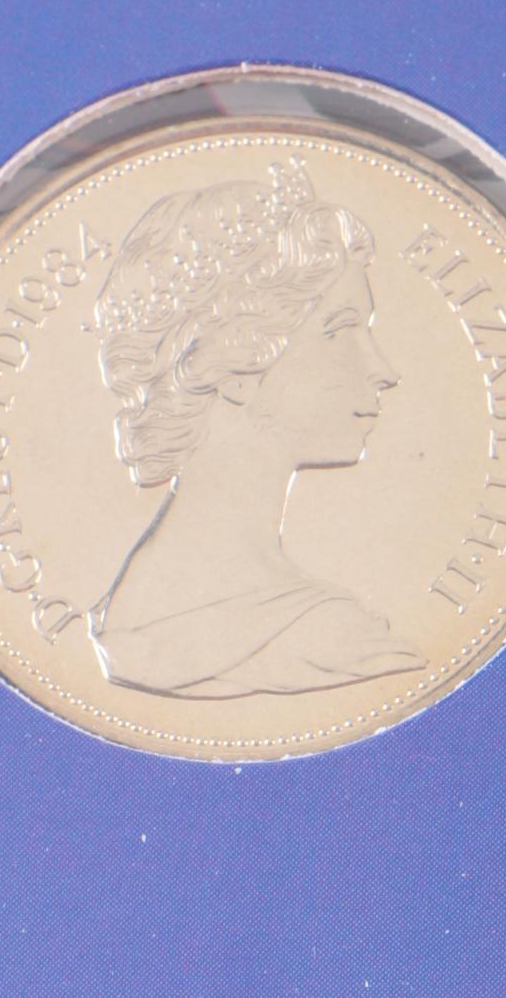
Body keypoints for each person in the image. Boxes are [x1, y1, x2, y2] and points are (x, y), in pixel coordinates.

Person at [89, 159, 424, 698]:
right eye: (340, 332)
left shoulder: (133, 607)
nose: (384, 370)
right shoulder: (334, 641)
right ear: (236, 364)